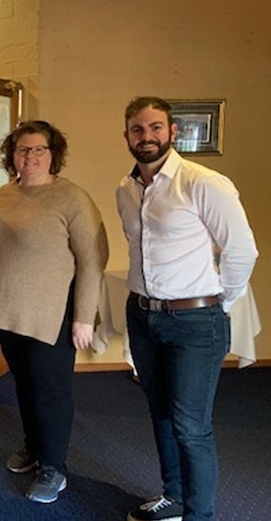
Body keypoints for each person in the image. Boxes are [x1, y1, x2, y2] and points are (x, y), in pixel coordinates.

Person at [117, 96, 258, 521]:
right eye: (138, 129)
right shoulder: (125, 189)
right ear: (126, 135)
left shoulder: (203, 183)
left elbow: (242, 251)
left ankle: (199, 515)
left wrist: (220, 303)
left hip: (195, 321)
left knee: (190, 425)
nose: (147, 136)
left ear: (173, 132)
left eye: (156, 127)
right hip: (143, 315)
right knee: (159, 411)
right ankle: (174, 497)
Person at [0, 120, 108, 504]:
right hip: (9, 311)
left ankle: (54, 467)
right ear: (11, 156)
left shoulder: (72, 198)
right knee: (25, 383)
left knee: (50, 391)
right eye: (23, 150)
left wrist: (84, 316)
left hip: (52, 313)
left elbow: (94, 260)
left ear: (53, 154)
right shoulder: (4, 193)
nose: (30, 157)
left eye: (39, 150)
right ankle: (34, 446)